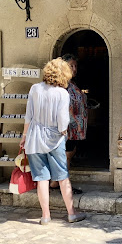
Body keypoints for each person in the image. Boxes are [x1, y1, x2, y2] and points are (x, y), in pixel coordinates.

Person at [19, 58, 86, 225]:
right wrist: (64, 133)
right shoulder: (62, 93)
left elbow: (29, 115)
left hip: (34, 137)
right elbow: (63, 121)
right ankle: (71, 213)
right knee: (62, 176)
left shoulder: (35, 89)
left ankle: (45, 216)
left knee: (41, 178)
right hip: (55, 138)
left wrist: (24, 136)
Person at [50, 53, 87, 194]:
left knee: (68, 154)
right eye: (71, 65)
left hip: (73, 127)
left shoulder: (71, 83)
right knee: (66, 155)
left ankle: (55, 182)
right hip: (66, 128)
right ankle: (62, 184)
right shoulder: (61, 84)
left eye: (75, 66)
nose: (74, 68)